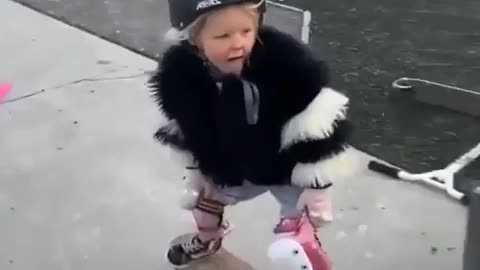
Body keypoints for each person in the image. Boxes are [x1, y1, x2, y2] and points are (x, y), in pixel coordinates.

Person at [148, 0, 358, 269]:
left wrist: (317, 187)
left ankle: (308, 259)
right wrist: (197, 173)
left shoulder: (285, 64)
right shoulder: (183, 75)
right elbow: (189, 128)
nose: (238, 43)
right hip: (232, 163)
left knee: (293, 245)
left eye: (246, 31)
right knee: (203, 204)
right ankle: (208, 239)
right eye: (223, 35)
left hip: (286, 166)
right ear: (192, 38)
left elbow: (317, 126)